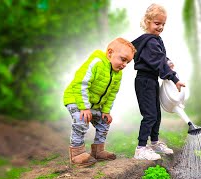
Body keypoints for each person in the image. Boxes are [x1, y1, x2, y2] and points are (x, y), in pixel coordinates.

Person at [63, 37, 136, 167]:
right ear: (109, 53)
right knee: (81, 120)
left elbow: (112, 94)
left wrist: (106, 111)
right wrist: (84, 108)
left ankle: (98, 151)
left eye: (128, 62)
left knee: (104, 121)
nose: (124, 64)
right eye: (123, 59)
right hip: (75, 98)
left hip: (93, 104)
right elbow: (81, 84)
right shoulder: (96, 62)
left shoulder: (117, 74)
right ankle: (77, 153)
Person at [131, 3, 185, 160]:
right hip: (145, 81)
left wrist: (166, 61)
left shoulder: (153, 40)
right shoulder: (151, 41)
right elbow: (156, 60)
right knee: (150, 115)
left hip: (151, 80)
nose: (161, 27)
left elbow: (157, 58)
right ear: (147, 21)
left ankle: (154, 143)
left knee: (156, 114)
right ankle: (141, 148)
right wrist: (174, 78)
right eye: (157, 23)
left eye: (163, 24)